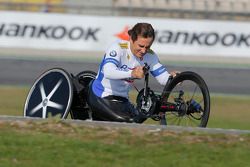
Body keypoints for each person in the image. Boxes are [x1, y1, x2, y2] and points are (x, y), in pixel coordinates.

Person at [87, 23, 177, 123]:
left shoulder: (150, 56)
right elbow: (108, 71)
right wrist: (132, 73)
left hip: (123, 99)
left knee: (139, 120)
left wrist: (174, 78)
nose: (143, 51)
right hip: (101, 95)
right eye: (141, 46)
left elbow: (163, 79)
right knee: (127, 122)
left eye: (148, 47)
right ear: (131, 39)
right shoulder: (118, 48)